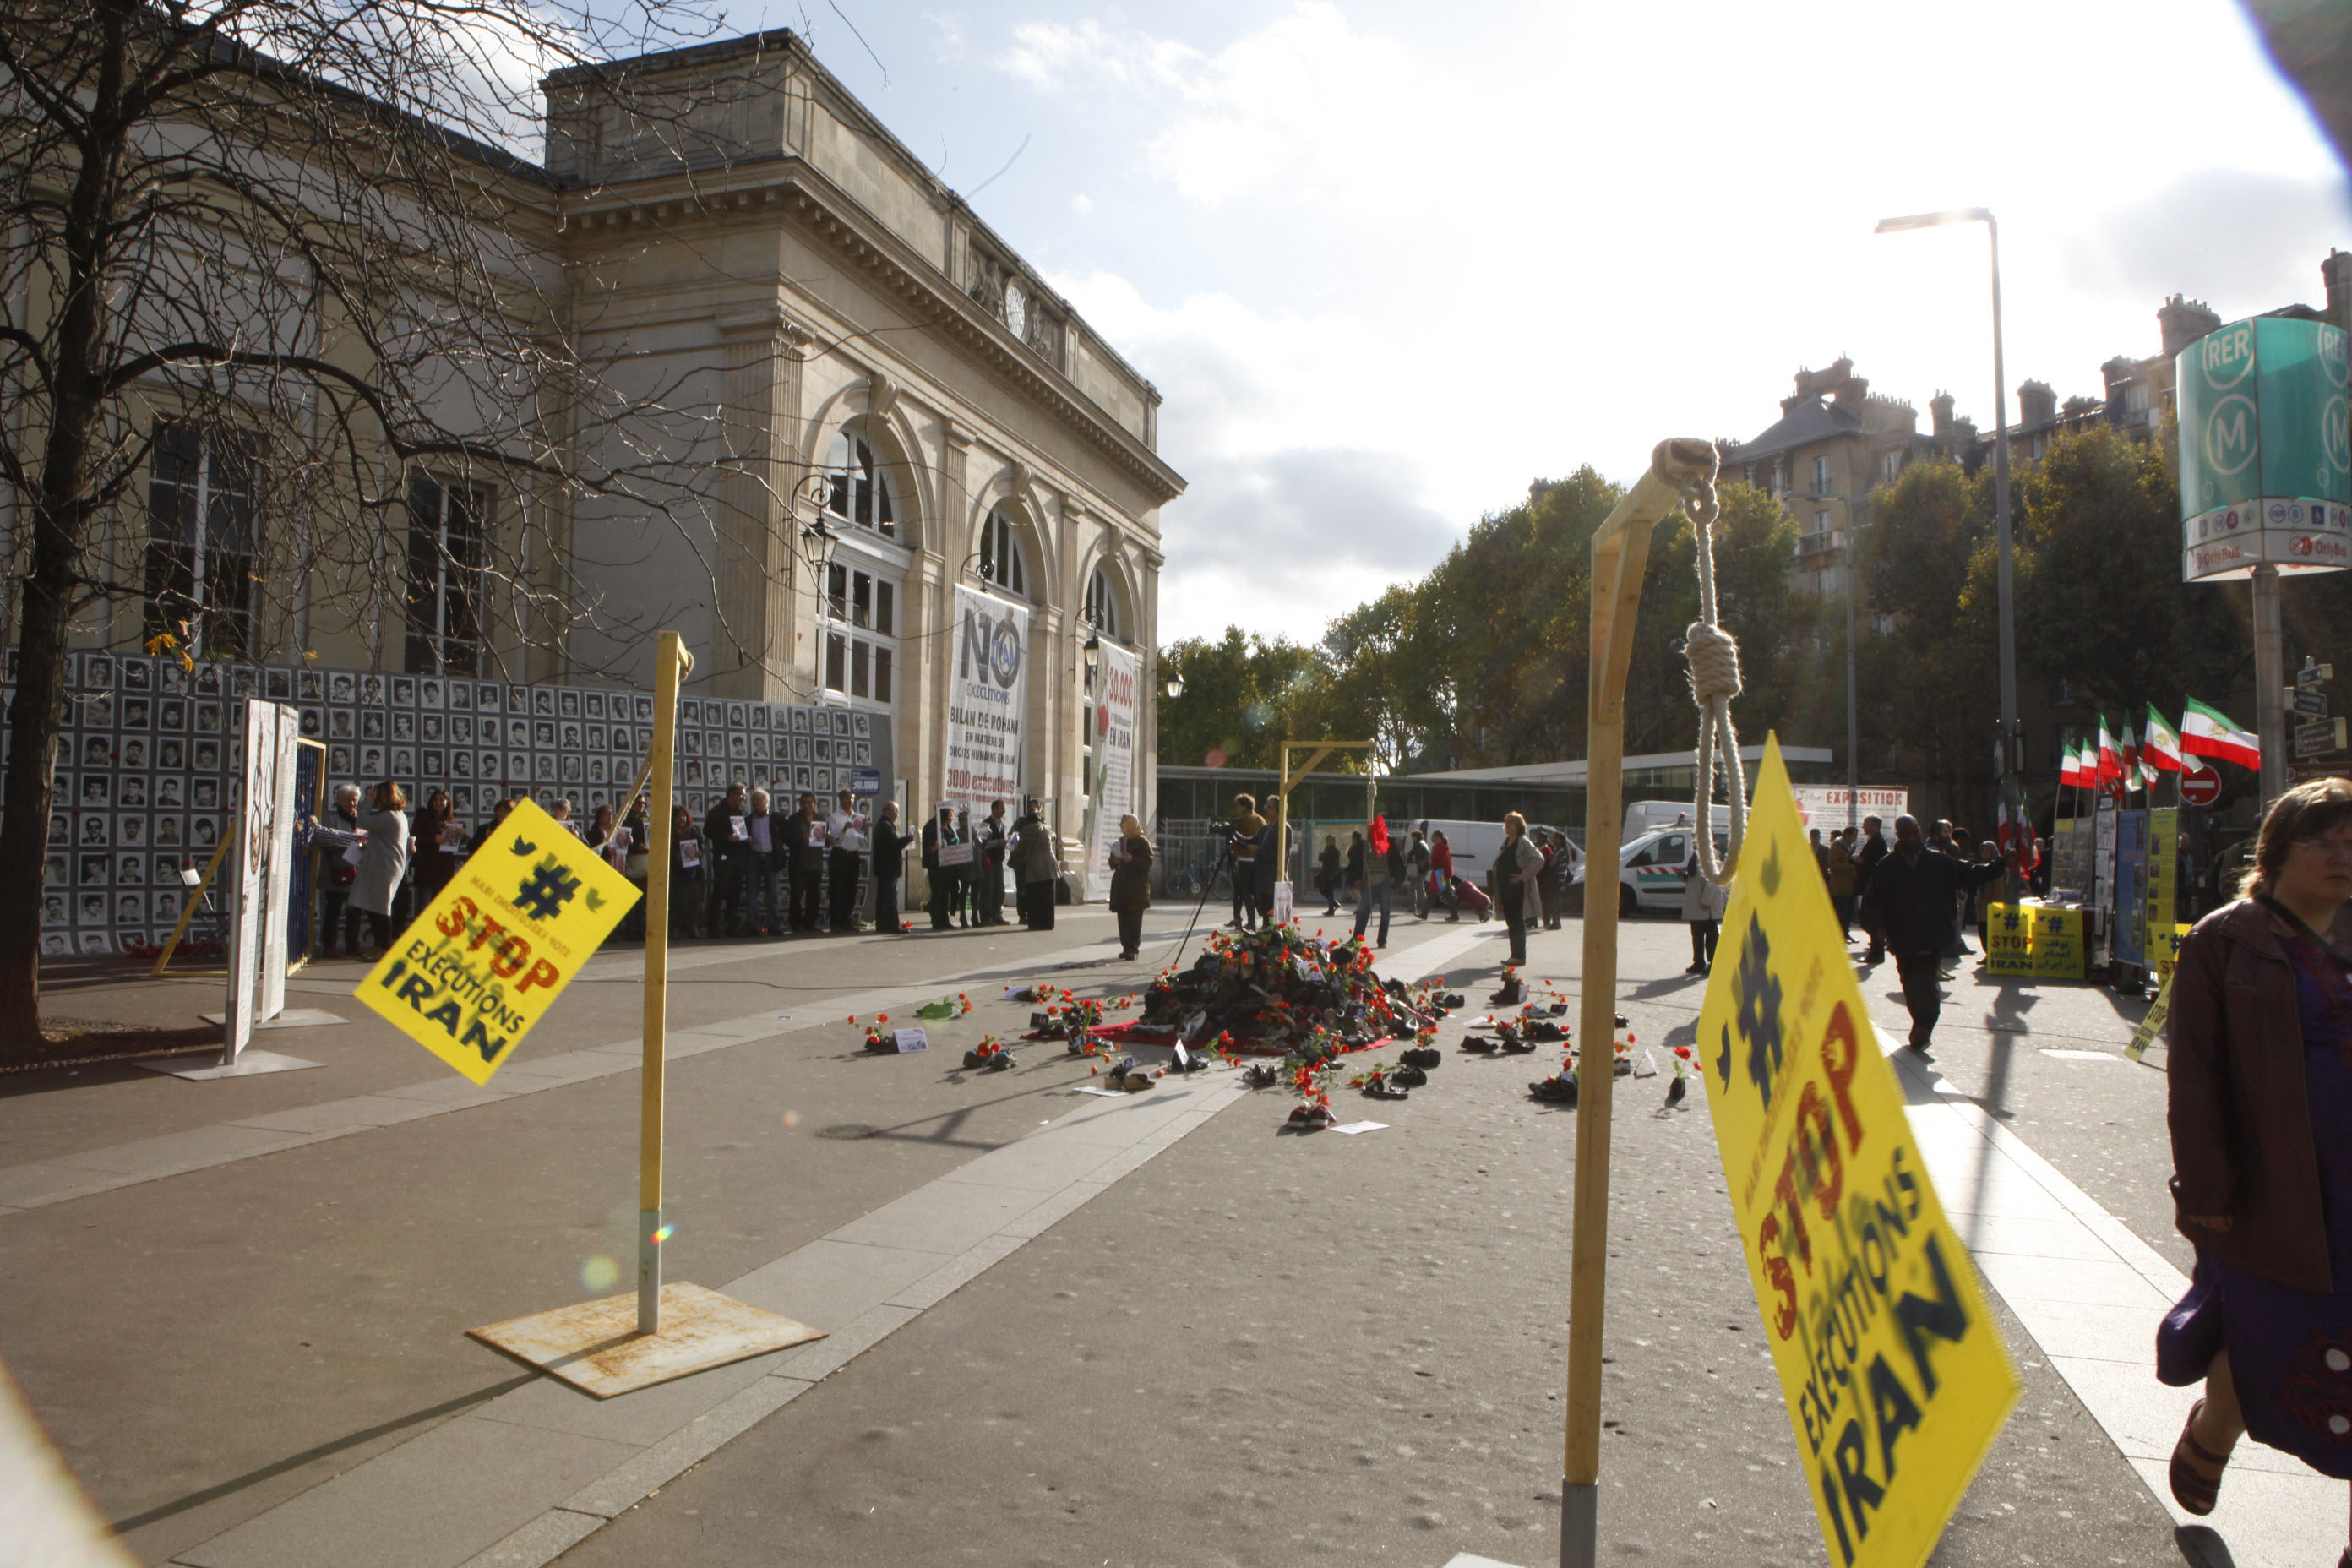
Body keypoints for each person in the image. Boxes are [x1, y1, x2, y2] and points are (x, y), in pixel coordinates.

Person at [2158, 776, 2352, 1549]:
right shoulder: (2225, 940)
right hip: (2282, 1189)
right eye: (2324, 842)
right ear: (2274, 856)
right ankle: (2214, 1430)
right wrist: (2206, 1187)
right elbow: (2196, 1072)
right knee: (2274, 1335)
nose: (2343, 857)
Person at [1857, 814, 2010, 1052]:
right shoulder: (1886, 867)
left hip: (1932, 932)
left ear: (1919, 832)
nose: (1910, 838)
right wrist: (1877, 928)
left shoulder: (1939, 862)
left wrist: (2000, 865)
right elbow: (1871, 902)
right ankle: (1920, 1021)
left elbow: (1970, 873)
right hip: (1902, 936)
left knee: (1927, 984)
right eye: (1904, 835)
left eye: (1913, 833)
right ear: (1898, 836)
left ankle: (1923, 1027)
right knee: (1910, 984)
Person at [349, 781, 411, 958]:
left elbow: (361, 820)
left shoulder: (390, 816)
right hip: (384, 865)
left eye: (377, 795)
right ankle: (380, 946)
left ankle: (384, 948)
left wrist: (368, 801)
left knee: (380, 908)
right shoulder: (398, 815)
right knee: (375, 906)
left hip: (384, 867)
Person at [705, 783, 754, 935]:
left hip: (738, 857)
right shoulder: (718, 811)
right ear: (731, 795)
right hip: (724, 856)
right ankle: (713, 928)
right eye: (741, 794)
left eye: (744, 795)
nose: (743, 797)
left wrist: (746, 838)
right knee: (720, 891)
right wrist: (726, 838)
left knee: (735, 892)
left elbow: (740, 832)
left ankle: (731, 926)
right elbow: (707, 831)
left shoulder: (739, 812)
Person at [1497, 810, 1544, 967]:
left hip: (1517, 890)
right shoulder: (1507, 841)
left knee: (1517, 922)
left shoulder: (1523, 842)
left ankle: (1519, 956)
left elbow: (1539, 859)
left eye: (1511, 822)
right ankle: (1514, 955)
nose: (1507, 824)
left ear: (1518, 825)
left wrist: (1523, 875)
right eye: (1506, 821)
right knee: (1511, 922)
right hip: (1506, 889)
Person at [1108, 814, 1152, 960]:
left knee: (1134, 919)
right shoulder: (1120, 841)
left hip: (1136, 888)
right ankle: (1126, 947)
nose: (1122, 827)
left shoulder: (1142, 842)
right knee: (1123, 917)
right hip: (1122, 886)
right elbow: (1111, 863)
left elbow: (1148, 863)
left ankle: (1133, 949)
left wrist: (1132, 860)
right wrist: (1115, 860)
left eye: (1125, 824)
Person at [1353, 815, 1401, 948]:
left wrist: (1394, 878)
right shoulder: (1365, 846)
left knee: (1385, 912)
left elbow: (1398, 862)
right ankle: (1356, 939)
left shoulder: (1390, 843)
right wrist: (1358, 878)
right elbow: (1358, 863)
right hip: (1369, 883)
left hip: (1385, 882)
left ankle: (1382, 940)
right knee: (1362, 911)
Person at [826, 790, 869, 933]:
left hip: (853, 855)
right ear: (840, 799)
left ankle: (846, 921)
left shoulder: (859, 817)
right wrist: (844, 830)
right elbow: (833, 840)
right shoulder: (834, 817)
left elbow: (864, 842)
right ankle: (835, 923)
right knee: (837, 889)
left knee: (851, 890)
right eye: (846, 798)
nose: (850, 800)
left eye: (851, 798)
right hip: (839, 854)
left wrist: (865, 832)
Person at [1012, 798, 1059, 930]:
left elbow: (1016, 846)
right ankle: (1047, 922)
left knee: (1033, 894)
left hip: (1032, 864)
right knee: (1047, 895)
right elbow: (1053, 836)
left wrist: (1014, 860)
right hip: (1049, 864)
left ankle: (1034, 922)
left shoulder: (1025, 831)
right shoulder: (1045, 827)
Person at [411, 788, 460, 908]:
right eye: (435, 800)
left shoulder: (451, 819)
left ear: (447, 802)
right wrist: (433, 839)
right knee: (425, 905)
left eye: (441, 800)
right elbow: (414, 837)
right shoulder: (422, 817)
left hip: (444, 869)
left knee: (441, 906)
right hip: (427, 868)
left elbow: (453, 845)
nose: (438, 803)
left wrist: (461, 835)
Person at [742, 788, 781, 937]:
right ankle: (753, 926)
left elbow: (784, 836)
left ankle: (774, 926)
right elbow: (741, 839)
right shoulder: (747, 820)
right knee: (752, 892)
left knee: (774, 893)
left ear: (766, 802)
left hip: (771, 858)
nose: (756, 803)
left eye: (759, 800)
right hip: (754, 857)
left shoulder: (777, 818)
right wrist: (746, 840)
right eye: (753, 801)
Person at [1681, 852, 1728, 973]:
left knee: (1711, 938)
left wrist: (1706, 901)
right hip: (1697, 905)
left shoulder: (1710, 857)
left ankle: (1713, 963)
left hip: (1706, 907)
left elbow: (1712, 882)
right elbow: (1697, 878)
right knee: (1697, 937)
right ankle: (1699, 962)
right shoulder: (1697, 856)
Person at [787, 792, 827, 933]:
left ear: (815, 803)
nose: (807, 805)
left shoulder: (820, 819)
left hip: (815, 863)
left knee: (814, 896)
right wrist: (800, 838)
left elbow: (825, 843)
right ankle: (795, 925)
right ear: (800, 803)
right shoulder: (794, 819)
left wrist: (827, 838)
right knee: (796, 896)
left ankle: (810, 924)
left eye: (810, 802)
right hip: (798, 864)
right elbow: (787, 840)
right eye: (804, 802)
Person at [870, 802, 912, 934]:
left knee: (883, 898)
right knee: (890, 897)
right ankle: (893, 925)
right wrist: (908, 839)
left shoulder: (883, 825)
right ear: (887, 811)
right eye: (895, 811)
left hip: (884, 868)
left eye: (898, 811)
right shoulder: (885, 826)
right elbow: (894, 844)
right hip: (888, 868)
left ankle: (882, 925)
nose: (897, 814)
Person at [1855, 814, 1890, 962]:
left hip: (1873, 887)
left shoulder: (1877, 841)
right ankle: (1876, 951)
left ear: (1874, 825)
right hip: (1871, 885)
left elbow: (1863, 859)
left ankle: (1877, 952)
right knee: (1870, 920)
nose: (1863, 827)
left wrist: (1853, 859)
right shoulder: (1875, 840)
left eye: (1866, 824)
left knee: (1869, 920)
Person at [669, 803, 706, 938]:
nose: (682, 819)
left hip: (693, 871)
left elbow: (700, 848)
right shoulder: (670, 833)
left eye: (684, 816)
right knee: (677, 901)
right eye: (678, 817)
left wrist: (700, 853)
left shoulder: (693, 831)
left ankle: (693, 927)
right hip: (677, 870)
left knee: (695, 901)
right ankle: (674, 929)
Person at [1228, 794, 1265, 930]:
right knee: (1249, 892)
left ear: (1244, 806)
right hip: (1256, 859)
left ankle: (1249, 921)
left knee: (1243, 892)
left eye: (1238, 805)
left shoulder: (1243, 820)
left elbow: (1238, 839)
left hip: (1244, 859)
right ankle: (1243, 919)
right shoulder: (1260, 819)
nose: (1236, 808)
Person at [976, 800, 1010, 925]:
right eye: (1002, 808)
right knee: (987, 889)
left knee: (999, 889)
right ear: (994, 809)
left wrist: (1007, 844)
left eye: (1005, 808)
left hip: (998, 861)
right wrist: (997, 843)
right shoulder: (985, 824)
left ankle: (997, 914)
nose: (1004, 810)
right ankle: (985, 917)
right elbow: (980, 844)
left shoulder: (1002, 824)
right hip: (987, 862)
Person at [921, 805, 954, 931]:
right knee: (938, 892)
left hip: (945, 863)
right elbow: (928, 848)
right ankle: (937, 920)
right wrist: (934, 848)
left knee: (945, 893)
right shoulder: (931, 826)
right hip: (935, 864)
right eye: (950, 816)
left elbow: (952, 838)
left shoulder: (945, 826)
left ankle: (944, 920)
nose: (952, 819)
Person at [1827, 827, 1858, 939]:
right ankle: (1839, 935)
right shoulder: (1837, 846)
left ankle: (1846, 933)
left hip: (1849, 885)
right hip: (1840, 886)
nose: (1855, 839)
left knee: (1848, 912)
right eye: (1854, 836)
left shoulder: (1850, 846)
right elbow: (1832, 866)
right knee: (1841, 912)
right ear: (1847, 835)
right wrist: (1850, 866)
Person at [1538, 830, 1567, 929]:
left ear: (1561, 840)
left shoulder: (1561, 850)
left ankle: (1556, 922)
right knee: (1551, 901)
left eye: (1556, 838)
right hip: (1553, 880)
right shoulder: (1556, 850)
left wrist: (1547, 862)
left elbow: (1552, 863)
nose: (1553, 840)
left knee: (1555, 902)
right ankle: (1553, 922)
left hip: (1557, 880)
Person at [1429, 830, 1460, 921]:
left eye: (1433, 836)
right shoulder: (1441, 846)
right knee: (1436, 892)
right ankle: (1424, 913)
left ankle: (1455, 915)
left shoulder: (1439, 847)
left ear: (1437, 837)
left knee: (1446, 894)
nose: (1431, 838)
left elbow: (1441, 861)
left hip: (1441, 874)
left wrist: (1433, 865)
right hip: (1441, 873)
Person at [1406, 829, 1433, 920]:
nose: (1412, 838)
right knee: (1417, 886)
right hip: (1423, 869)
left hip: (1420, 869)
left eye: (1413, 837)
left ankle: (1418, 906)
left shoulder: (1418, 844)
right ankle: (1421, 906)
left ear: (1415, 837)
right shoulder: (1423, 843)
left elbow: (1414, 854)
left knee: (1416, 887)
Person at [1316, 835, 1342, 917]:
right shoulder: (1326, 849)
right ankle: (1334, 904)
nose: (1328, 842)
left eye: (1330, 841)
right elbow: (1323, 859)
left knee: (1329, 891)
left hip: (1331, 874)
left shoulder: (1335, 851)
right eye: (1327, 841)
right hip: (1325, 873)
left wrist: (1333, 874)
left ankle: (1331, 909)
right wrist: (1321, 856)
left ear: (1334, 841)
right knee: (1323, 890)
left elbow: (1336, 864)